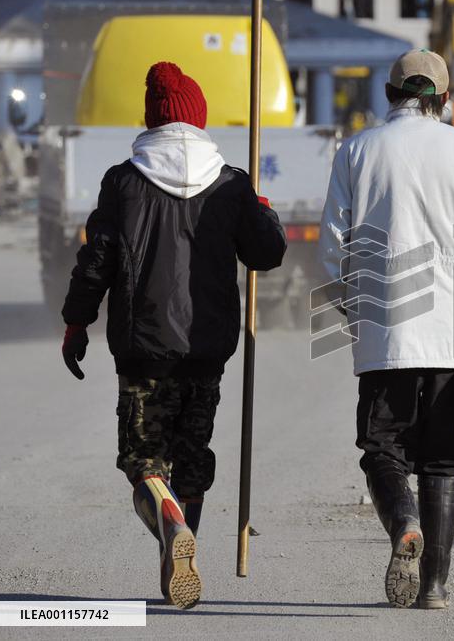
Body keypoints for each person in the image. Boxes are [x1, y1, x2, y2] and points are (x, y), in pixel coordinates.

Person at [60, 62, 286, 609]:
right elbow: (267, 254)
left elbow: (98, 259)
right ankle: (179, 546)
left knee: (144, 460)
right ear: (199, 119)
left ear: (151, 119)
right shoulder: (232, 182)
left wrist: (76, 321)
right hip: (207, 349)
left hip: (143, 349)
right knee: (191, 455)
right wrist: (262, 212)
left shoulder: (124, 181)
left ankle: (168, 525)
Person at [317, 49, 454, 609]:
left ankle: (403, 520)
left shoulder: (356, 151)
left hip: (384, 333)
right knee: (441, 455)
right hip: (453, 333)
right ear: (445, 100)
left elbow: (333, 247)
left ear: (389, 96)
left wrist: (351, 308)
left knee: (381, 447)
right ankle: (433, 585)